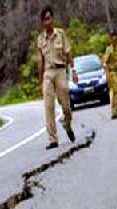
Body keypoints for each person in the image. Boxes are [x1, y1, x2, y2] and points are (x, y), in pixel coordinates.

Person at [37, 6, 77, 150]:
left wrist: (73, 70)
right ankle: (52, 139)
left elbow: (68, 52)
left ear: (53, 19)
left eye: (49, 18)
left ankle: (67, 124)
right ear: (42, 22)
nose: (48, 21)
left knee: (66, 105)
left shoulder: (60, 34)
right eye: (45, 19)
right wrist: (40, 80)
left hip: (60, 71)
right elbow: (40, 61)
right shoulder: (40, 40)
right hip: (48, 73)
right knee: (49, 107)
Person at [102, 30, 117, 119]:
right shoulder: (108, 50)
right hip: (111, 73)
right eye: (113, 39)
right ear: (110, 39)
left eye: (116, 39)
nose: (115, 41)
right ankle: (114, 111)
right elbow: (104, 63)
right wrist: (106, 74)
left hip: (116, 71)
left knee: (115, 93)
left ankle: (115, 112)